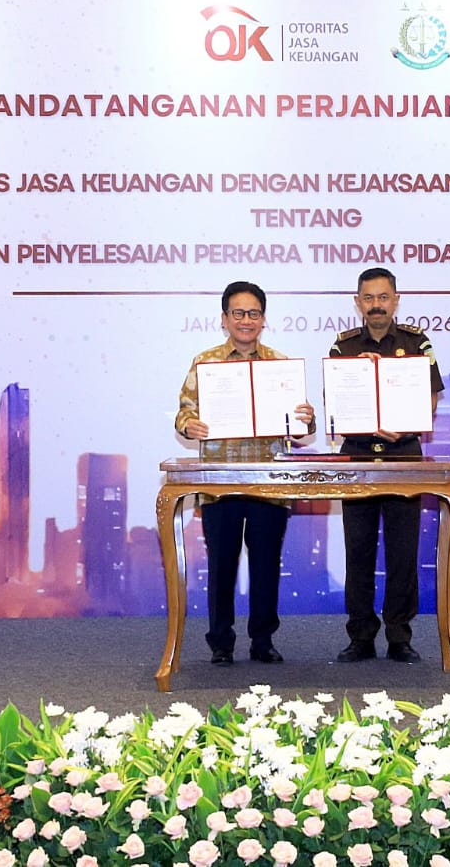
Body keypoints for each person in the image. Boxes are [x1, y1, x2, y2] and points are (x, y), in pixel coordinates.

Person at [175, 280, 314, 665]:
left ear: (263, 319)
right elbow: (185, 411)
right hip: (220, 482)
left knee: (266, 564)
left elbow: (301, 426)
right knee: (222, 564)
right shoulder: (206, 363)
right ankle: (221, 643)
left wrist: (306, 419)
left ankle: (263, 641)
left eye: (253, 313)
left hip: (269, 482)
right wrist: (189, 425)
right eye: (238, 313)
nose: (246, 320)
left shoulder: (280, 365)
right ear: (224, 319)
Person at [328, 267, 443, 664]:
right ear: (357, 302)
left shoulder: (416, 342)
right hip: (358, 456)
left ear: (396, 300)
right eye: (368, 298)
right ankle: (360, 636)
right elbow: (336, 403)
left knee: (402, 552)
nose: (376, 305)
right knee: (358, 550)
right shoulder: (343, 347)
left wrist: (404, 424)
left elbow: (430, 397)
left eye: (383, 297)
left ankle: (399, 636)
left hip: (403, 456)